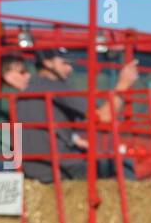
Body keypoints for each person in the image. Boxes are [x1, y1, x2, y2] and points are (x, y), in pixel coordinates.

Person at [16, 47, 139, 182]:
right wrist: (124, 83)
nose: (70, 69)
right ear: (48, 63)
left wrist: (74, 140)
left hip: (30, 167)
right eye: (65, 63)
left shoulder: (28, 88)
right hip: (59, 168)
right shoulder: (56, 87)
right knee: (122, 164)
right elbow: (104, 117)